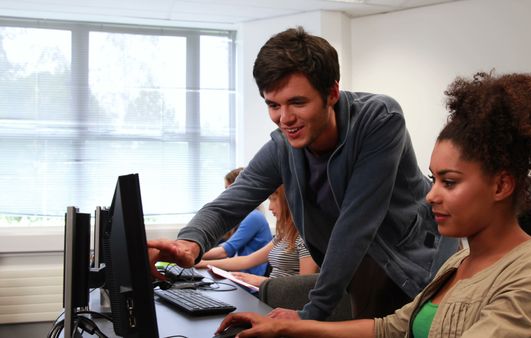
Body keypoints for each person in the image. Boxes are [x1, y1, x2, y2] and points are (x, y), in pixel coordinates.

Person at [215, 71, 531, 337]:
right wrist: (293, 327)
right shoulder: (459, 262)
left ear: (502, 185)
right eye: (433, 180)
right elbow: (391, 327)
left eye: (449, 182)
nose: (431, 195)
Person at [147, 26, 459, 321]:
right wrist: (190, 242)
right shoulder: (283, 147)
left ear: (332, 93)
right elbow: (231, 202)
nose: (285, 118)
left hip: (413, 264)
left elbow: (356, 224)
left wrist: (311, 314)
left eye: (297, 102)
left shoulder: (378, 120)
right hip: (357, 269)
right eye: (273, 105)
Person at [196, 185, 318, 287]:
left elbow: (304, 286)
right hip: (272, 296)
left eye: (273, 199)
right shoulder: (285, 235)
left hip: (285, 304)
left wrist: (261, 281)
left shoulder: (306, 238)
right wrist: (203, 264)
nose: (270, 207)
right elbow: (247, 260)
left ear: (288, 201)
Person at [200, 167, 273, 276]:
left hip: (249, 280)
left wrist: (193, 256)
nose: (226, 195)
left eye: (228, 189)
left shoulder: (254, 217)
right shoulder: (240, 216)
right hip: (238, 274)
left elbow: (224, 252)